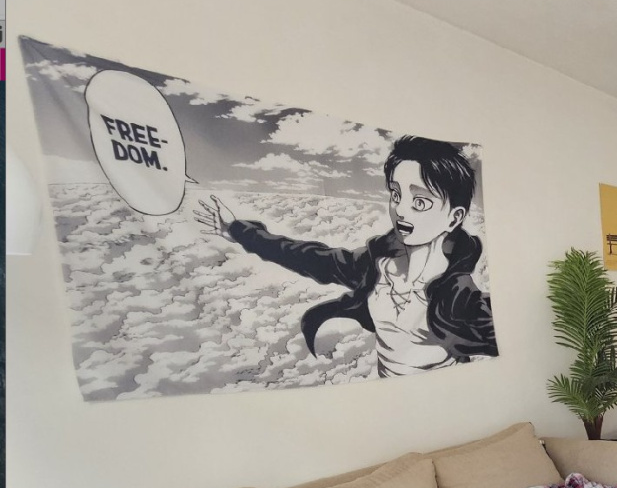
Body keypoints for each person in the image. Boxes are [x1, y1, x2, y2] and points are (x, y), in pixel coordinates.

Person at [196, 135, 497, 377]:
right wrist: (238, 230)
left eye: (420, 202)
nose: (401, 210)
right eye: (396, 194)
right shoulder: (377, 265)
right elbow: (310, 257)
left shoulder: (460, 299)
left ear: (454, 217)